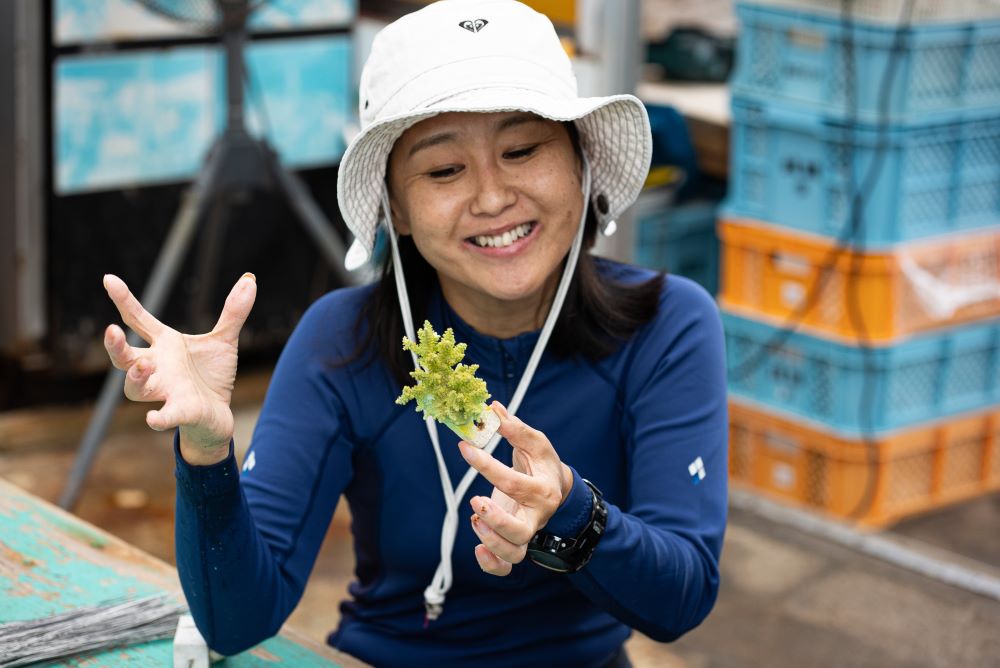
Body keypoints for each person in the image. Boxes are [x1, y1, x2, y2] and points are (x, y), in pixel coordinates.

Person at [100, 1, 728, 666]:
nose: (492, 198)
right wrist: (205, 451)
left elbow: (680, 600)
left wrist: (572, 513)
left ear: (581, 163)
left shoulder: (666, 324)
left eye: (521, 150)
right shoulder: (341, 343)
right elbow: (235, 623)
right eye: (443, 170)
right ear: (395, 207)